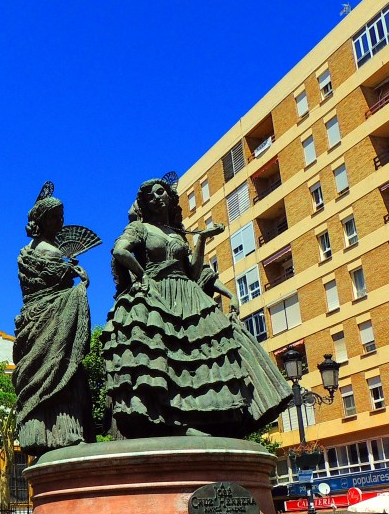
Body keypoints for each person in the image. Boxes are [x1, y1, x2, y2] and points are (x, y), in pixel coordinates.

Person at [101, 178, 292, 439]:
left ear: (169, 199)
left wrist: (201, 239)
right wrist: (142, 275)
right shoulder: (140, 229)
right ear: (145, 203)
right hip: (159, 294)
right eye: (152, 196)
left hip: (189, 295)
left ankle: (209, 418)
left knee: (205, 355)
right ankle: (174, 422)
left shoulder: (178, 233)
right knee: (167, 360)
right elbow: (120, 251)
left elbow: (193, 270)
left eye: (161, 193)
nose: (157, 198)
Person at [13, 184, 95, 458]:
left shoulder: (26, 251)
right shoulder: (52, 252)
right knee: (62, 370)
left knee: (54, 373)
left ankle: (41, 431)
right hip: (51, 317)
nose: (60, 222)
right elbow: (57, 281)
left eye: (61, 216)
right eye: (54, 217)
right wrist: (81, 283)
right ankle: (65, 431)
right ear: (40, 221)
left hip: (34, 318)